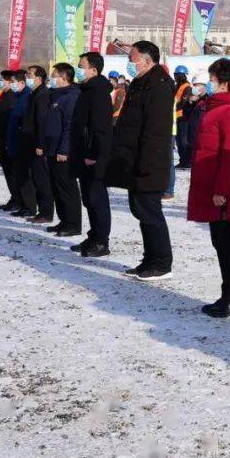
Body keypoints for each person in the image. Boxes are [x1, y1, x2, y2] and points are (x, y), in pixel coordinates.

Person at [106, 40, 175, 281]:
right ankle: (149, 259)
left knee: (150, 212)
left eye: (132, 59)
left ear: (146, 61)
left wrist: (147, 164)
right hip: (133, 160)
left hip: (149, 163)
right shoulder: (140, 83)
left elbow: (156, 131)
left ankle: (162, 262)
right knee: (140, 211)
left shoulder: (159, 86)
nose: (129, 64)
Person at [188, 58, 230, 318]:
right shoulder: (216, 106)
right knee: (221, 243)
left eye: (212, 80)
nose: (208, 85)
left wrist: (222, 190)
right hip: (212, 184)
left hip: (224, 190)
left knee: (229, 244)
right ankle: (227, 294)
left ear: (224, 82)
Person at [69, 52, 114, 257]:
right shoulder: (86, 90)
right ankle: (93, 236)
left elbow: (100, 128)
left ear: (93, 70)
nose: (78, 69)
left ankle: (101, 242)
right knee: (88, 198)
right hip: (83, 152)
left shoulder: (98, 92)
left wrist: (94, 153)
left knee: (97, 199)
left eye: (81, 65)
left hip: (93, 155)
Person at [41, 63, 82, 237]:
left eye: (55, 75)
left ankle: (73, 224)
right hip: (51, 149)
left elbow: (69, 126)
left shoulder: (71, 96)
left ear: (65, 76)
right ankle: (64, 220)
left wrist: (64, 150)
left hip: (62, 151)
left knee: (67, 188)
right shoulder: (55, 95)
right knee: (57, 187)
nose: (52, 78)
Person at [25, 65, 55, 224]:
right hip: (31, 141)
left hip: (39, 144)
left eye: (30, 75)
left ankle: (46, 212)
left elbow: (42, 122)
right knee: (36, 178)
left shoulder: (42, 95)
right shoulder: (34, 94)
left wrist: (40, 145)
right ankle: (41, 211)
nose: (27, 77)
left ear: (39, 78)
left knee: (42, 179)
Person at [5, 74, 37, 217]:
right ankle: (22, 203)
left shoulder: (27, 97)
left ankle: (29, 206)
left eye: (13, 82)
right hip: (15, 141)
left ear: (22, 82)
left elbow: (26, 121)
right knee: (18, 175)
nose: (11, 84)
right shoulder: (17, 96)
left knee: (25, 177)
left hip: (22, 143)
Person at [0, 71, 19, 209]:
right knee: (8, 172)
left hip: (8, 139)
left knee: (12, 172)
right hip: (2, 139)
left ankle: (17, 199)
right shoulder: (5, 95)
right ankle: (14, 198)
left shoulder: (12, 97)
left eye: (2, 80)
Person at [173, 65, 192, 168]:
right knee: (179, 142)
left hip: (183, 118)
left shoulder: (187, 87)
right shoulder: (177, 86)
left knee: (184, 141)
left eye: (177, 75)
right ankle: (182, 161)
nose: (175, 77)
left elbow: (183, 102)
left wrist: (173, 107)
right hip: (176, 117)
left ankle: (187, 161)